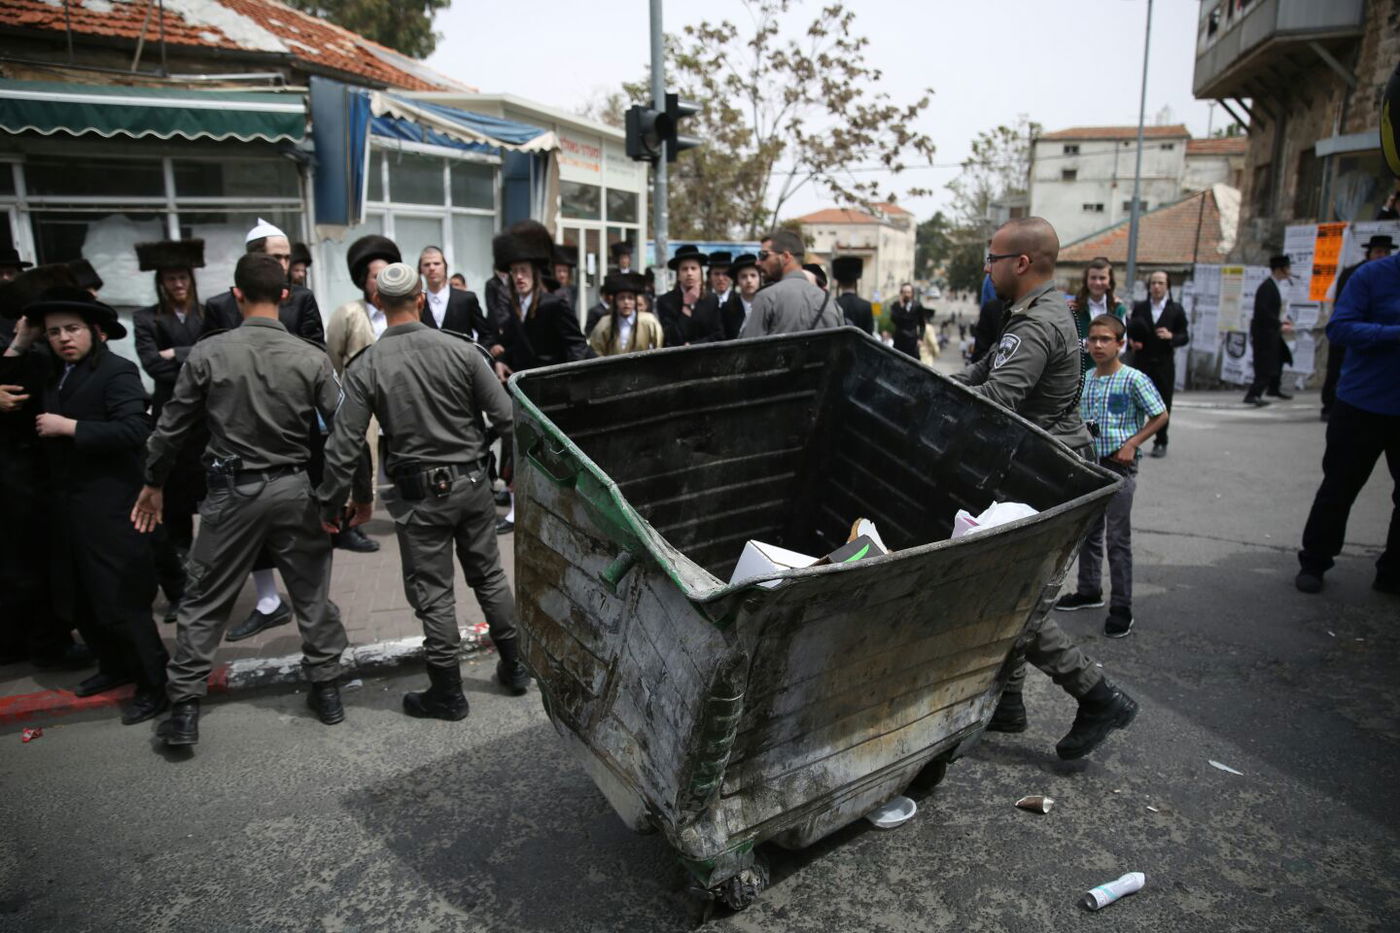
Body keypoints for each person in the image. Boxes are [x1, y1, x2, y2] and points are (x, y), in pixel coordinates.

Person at [134, 253, 350, 747]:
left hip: (231, 490)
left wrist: (153, 480)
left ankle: (185, 708)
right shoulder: (310, 357)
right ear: (284, 296)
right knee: (312, 592)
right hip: (294, 487)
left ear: (236, 296)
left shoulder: (208, 353)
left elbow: (170, 426)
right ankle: (328, 689)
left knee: (206, 597)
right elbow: (346, 430)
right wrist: (344, 493)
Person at [951, 216, 1137, 761]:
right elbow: (982, 371)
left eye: (992, 259)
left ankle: (1098, 696)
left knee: (1009, 597)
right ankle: (1008, 704)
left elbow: (997, 398)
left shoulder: (1036, 323)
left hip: (1046, 475)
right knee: (1010, 586)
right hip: (1041, 467)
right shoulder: (1036, 314)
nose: (987, 269)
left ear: (1022, 263)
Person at [318, 261, 528, 719]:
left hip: (419, 497)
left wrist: (335, 500)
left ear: (379, 301)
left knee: (434, 592)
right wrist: (512, 471)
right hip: (473, 485)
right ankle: (515, 669)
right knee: (490, 577)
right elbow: (509, 416)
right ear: (418, 298)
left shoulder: (367, 364)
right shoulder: (462, 350)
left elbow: (345, 441)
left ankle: (448, 695)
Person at [2, 287, 168, 723]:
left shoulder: (117, 371)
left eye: (72, 329)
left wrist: (70, 427)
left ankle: (155, 685)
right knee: (81, 601)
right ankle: (113, 668)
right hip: (65, 510)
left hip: (112, 508)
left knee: (123, 602)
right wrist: (20, 342)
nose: (63, 338)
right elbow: (11, 386)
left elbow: (135, 430)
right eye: (54, 331)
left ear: (95, 331)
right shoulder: (51, 371)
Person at [1295, 248, 1400, 595]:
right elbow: (1340, 328)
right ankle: (1315, 561)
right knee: (1339, 488)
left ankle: (1392, 572)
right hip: (1362, 404)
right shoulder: (1372, 275)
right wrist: (1393, 333)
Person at [1055, 314, 1168, 637]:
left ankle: (1122, 606)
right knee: (1089, 532)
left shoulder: (1134, 379)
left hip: (1119, 465)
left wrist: (1133, 443)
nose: (1098, 345)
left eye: (1106, 339)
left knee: (1117, 539)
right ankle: (1089, 590)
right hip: (1090, 465)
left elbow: (1160, 414)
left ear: (1121, 343)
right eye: (1093, 339)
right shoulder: (1085, 380)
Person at [492, 220, 592, 534]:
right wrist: (500, 361)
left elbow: (577, 347)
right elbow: (511, 348)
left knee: (560, 461)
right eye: (514, 271)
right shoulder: (511, 308)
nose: (518, 277)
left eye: (524, 270)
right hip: (525, 397)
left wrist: (568, 388)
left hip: (555, 396)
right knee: (523, 454)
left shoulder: (554, 303)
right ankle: (521, 510)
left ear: (535, 273)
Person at [132, 238, 210, 618]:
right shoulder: (147, 319)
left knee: (213, 504)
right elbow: (152, 365)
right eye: (170, 279)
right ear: (160, 283)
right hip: (173, 420)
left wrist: (178, 354)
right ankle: (180, 592)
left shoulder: (207, 314)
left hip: (208, 421)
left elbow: (215, 351)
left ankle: (212, 584)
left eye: (182, 278)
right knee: (176, 508)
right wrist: (192, 360)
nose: (178, 285)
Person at [326, 235, 402, 556]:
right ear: (362, 280)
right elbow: (332, 358)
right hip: (362, 403)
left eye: (386, 274)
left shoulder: (401, 311)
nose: (380, 280)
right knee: (360, 462)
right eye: (374, 275)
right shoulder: (348, 313)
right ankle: (350, 526)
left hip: (397, 401)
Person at [204, 219, 323, 342]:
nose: (284, 265)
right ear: (255, 257)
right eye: (276, 257)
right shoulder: (220, 306)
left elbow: (315, 347)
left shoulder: (302, 299)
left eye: (287, 258)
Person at [1322, 235, 1394, 420]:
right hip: (1362, 394)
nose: (1382, 255)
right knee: (1335, 369)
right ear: (1368, 253)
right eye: (1379, 251)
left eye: (1386, 252)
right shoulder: (1358, 273)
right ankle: (1328, 405)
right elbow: (1340, 323)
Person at [1127, 270, 1189, 458]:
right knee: (1135, 402)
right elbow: (1131, 332)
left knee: (1163, 403)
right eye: (1153, 283)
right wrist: (1132, 343)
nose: (1156, 286)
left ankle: (1161, 441)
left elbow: (1184, 336)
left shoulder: (1175, 309)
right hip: (1142, 362)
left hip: (1164, 363)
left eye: (1161, 283)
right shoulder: (1140, 307)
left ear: (1167, 286)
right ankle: (1131, 440)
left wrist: (1172, 337)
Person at [740, 230, 842, 337]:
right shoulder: (829, 302)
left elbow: (746, 349)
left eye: (763, 255)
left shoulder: (766, 298)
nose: (758, 262)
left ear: (786, 257)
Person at [419, 245, 497, 347]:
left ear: (445, 266)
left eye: (437, 263)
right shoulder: (417, 302)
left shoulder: (466, 299)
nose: (432, 268)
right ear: (420, 269)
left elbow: (486, 335)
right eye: (427, 264)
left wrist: (473, 355)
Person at [1243, 254, 1295, 406]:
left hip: (1271, 332)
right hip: (1264, 334)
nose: (1289, 272)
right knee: (1265, 364)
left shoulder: (1273, 286)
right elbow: (1263, 312)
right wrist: (1279, 325)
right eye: (1287, 268)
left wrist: (1280, 322)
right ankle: (1253, 394)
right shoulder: (1267, 287)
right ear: (1280, 270)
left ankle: (1273, 388)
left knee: (1279, 358)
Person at [657, 245, 724, 346]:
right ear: (678, 275)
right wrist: (686, 307)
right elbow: (670, 338)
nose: (689, 273)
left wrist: (694, 345)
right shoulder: (666, 301)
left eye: (693, 268)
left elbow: (719, 336)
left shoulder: (711, 299)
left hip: (706, 357)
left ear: (700, 272)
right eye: (684, 269)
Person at [588, 273, 662, 356]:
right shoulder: (604, 324)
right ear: (615, 301)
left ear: (635, 301)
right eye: (621, 298)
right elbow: (596, 351)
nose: (626, 302)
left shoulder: (649, 321)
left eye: (630, 298)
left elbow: (659, 347)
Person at [832, 256, 874, 334]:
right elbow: (869, 335)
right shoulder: (866, 306)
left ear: (839, 283)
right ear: (855, 282)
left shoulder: (833, 304)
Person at [724, 253, 761, 339]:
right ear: (737, 280)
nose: (749, 280)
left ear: (760, 278)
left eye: (753, 275)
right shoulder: (727, 308)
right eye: (743, 276)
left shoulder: (768, 304)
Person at [888, 283, 927, 359]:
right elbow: (894, 320)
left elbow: (922, 324)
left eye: (908, 292)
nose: (906, 294)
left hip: (912, 341)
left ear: (912, 294)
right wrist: (901, 307)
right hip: (899, 341)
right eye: (904, 292)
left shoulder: (917, 306)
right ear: (901, 293)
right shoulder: (896, 305)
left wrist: (920, 338)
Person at [550, 244, 578, 315]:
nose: (562, 275)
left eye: (565, 271)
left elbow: (572, 309)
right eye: (559, 271)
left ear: (569, 273)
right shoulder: (549, 289)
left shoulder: (573, 289)